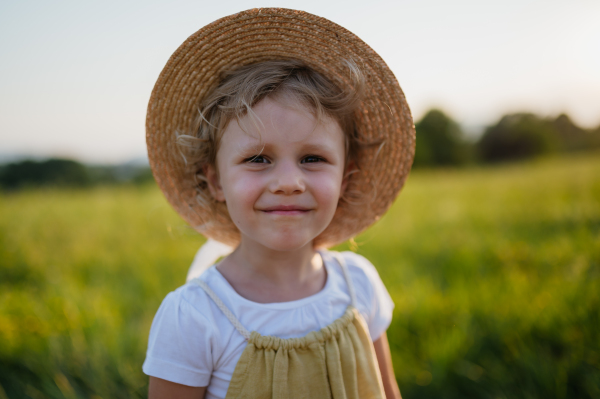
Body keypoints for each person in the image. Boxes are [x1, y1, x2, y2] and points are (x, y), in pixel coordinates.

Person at [143, 8, 415, 399]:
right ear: (215, 180)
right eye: (257, 159)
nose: (288, 182)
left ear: (345, 178)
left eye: (313, 158)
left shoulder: (358, 286)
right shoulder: (196, 317)